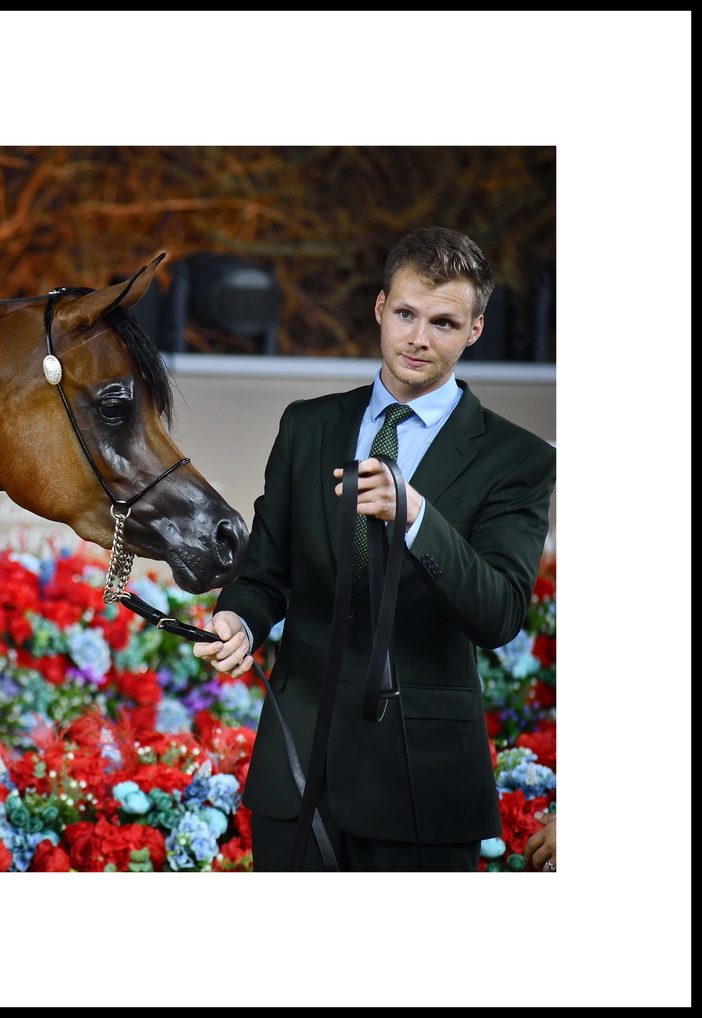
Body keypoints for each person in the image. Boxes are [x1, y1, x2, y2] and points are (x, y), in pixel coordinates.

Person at [193, 226, 556, 872]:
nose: (419, 338)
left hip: (424, 787)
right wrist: (239, 620)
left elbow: (499, 613)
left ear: (475, 330)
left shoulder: (516, 460)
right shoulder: (307, 426)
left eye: (444, 322)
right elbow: (265, 572)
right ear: (380, 308)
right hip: (299, 771)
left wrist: (416, 517)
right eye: (408, 314)